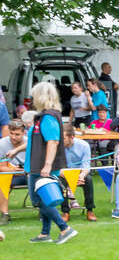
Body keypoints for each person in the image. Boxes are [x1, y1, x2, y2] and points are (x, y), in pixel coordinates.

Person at [25, 82, 76, 243]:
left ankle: (64, 228)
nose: (32, 99)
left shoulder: (48, 117)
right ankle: (45, 233)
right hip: (38, 163)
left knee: (37, 199)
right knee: (44, 196)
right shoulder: (47, 116)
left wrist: (47, 165)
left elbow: (52, 141)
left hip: (42, 166)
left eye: (34, 96)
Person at [61, 123, 97, 223]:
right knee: (60, 181)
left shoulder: (84, 145)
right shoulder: (57, 145)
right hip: (63, 173)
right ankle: (65, 211)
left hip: (79, 173)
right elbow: (56, 166)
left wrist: (81, 176)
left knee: (88, 179)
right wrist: (61, 173)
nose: (60, 140)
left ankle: (90, 210)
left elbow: (86, 165)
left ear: (71, 137)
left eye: (63, 138)